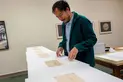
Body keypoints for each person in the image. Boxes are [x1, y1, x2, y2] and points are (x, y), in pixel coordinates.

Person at [52, 0, 97, 67]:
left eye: (61, 15)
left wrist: (77, 47)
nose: (60, 19)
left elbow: (92, 39)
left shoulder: (82, 21)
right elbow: (65, 40)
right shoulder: (64, 24)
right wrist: (61, 46)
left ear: (67, 9)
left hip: (84, 63)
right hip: (71, 61)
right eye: (57, 17)